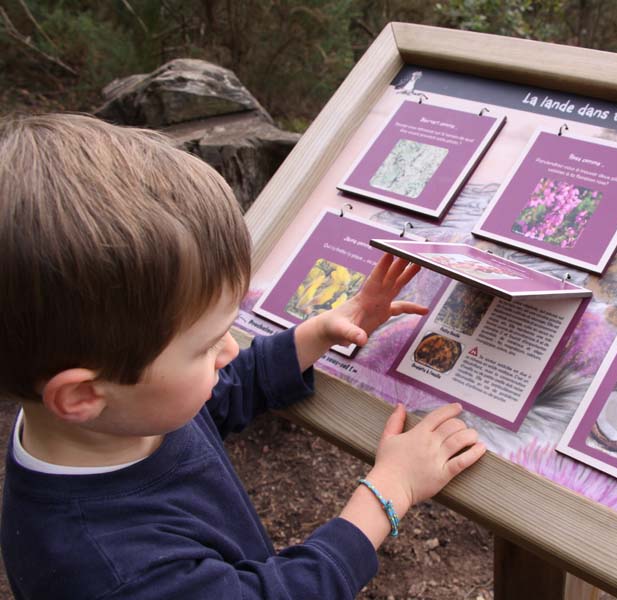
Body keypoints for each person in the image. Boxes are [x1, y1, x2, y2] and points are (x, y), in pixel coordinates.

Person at [0, 113, 486, 599]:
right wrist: (391, 489)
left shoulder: (114, 415)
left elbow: (225, 390)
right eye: (207, 344)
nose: (231, 348)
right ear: (82, 394)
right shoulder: (115, 572)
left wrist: (318, 333)